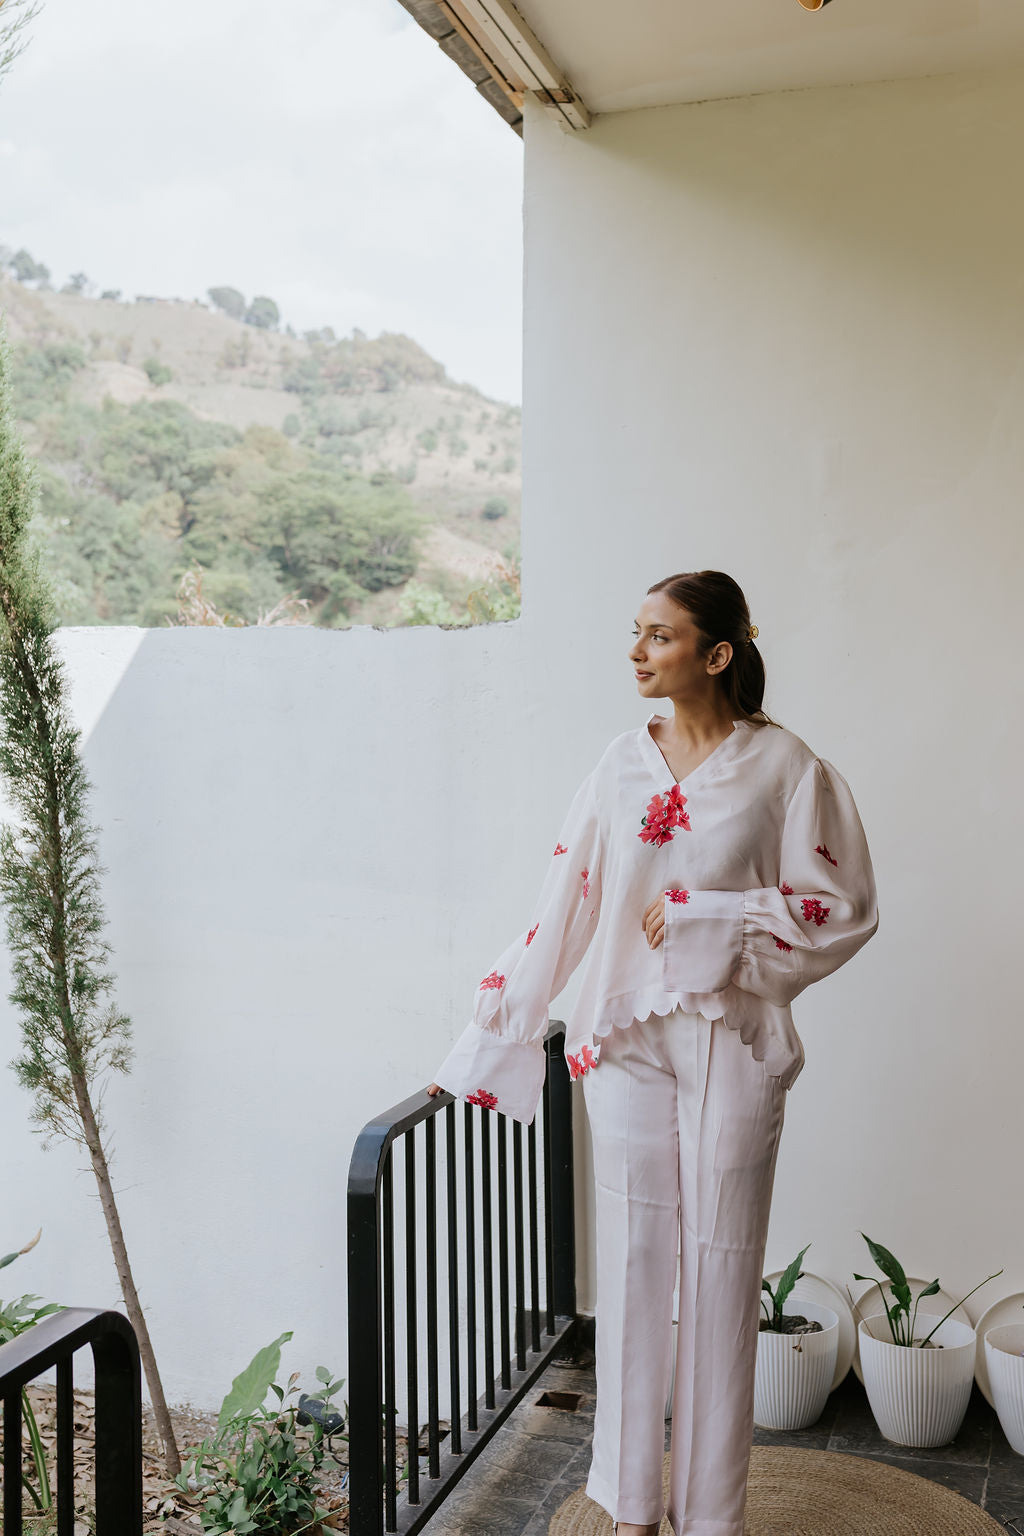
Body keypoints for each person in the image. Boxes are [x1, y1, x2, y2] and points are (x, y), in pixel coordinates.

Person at [427, 569, 879, 1536]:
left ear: (716, 654)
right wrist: (493, 1030)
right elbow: (568, 905)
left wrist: (709, 917)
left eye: (659, 635)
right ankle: (630, 1504)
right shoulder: (619, 764)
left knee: (722, 1264)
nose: (637, 651)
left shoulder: (786, 767)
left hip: (733, 1034)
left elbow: (840, 908)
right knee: (633, 1260)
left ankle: (710, 1514)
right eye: (636, 632)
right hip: (625, 1033)